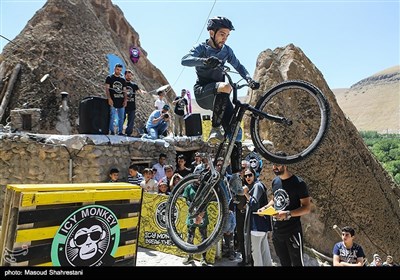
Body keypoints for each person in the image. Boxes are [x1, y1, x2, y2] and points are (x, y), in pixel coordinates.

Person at [181, 16, 260, 199]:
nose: (225, 38)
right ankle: (215, 129)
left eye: (227, 35)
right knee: (225, 87)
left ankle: (234, 177)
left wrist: (249, 79)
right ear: (212, 32)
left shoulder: (226, 51)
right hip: (204, 92)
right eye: (222, 34)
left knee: (237, 133)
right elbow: (185, 60)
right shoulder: (202, 48)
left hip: (222, 99)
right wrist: (205, 61)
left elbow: (238, 65)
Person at [258, 152, 311, 266]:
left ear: (285, 165)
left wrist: (287, 214)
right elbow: (275, 200)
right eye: (273, 165)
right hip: (277, 232)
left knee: (297, 263)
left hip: (292, 232)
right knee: (283, 263)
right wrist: (265, 208)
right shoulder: (275, 182)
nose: (274, 167)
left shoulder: (299, 183)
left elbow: (307, 208)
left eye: (278, 165)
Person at [243, 168, 273, 266]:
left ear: (254, 175)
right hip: (262, 226)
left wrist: (246, 194)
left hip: (256, 225)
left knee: (256, 254)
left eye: (250, 175)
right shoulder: (258, 185)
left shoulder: (256, 186)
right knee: (265, 252)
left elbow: (254, 204)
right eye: (245, 176)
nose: (247, 177)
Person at [105, 63, 127, 135]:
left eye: (120, 70)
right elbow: (107, 89)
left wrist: (125, 100)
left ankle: (120, 132)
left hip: (121, 101)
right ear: (114, 69)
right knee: (112, 116)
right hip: (113, 100)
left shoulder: (122, 79)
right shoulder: (109, 78)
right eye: (117, 69)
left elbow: (124, 91)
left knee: (122, 117)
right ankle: (111, 131)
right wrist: (109, 98)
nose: (119, 71)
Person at [124, 69, 141, 137]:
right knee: (122, 119)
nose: (129, 77)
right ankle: (119, 132)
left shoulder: (134, 85)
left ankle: (128, 133)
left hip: (132, 105)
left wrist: (142, 92)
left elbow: (139, 90)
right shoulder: (123, 83)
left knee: (131, 121)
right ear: (125, 75)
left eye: (130, 76)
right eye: (127, 76)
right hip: (124, 105)